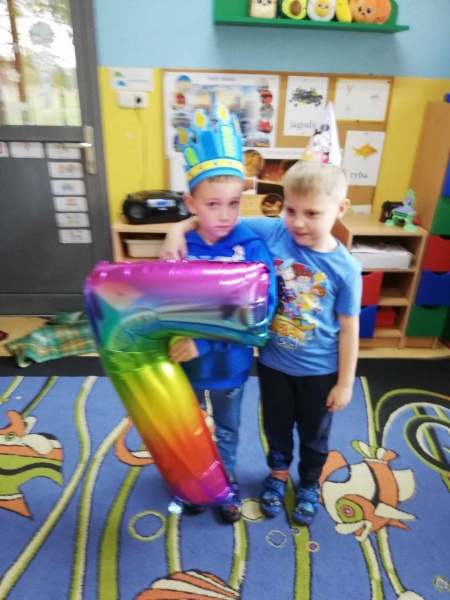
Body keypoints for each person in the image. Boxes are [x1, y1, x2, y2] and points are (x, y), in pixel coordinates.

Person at [160, 156, 362, 527]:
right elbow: (217, 219)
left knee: (314, 434)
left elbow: (349, 328)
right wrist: (177, 229)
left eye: (312, 213)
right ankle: (278, 475)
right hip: (273, 363)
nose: (297, 222)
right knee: (276, 427)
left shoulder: (346, 268)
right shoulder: (274, 232)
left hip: (321, 370)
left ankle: (309, 484)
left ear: (341, 208)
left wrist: (346, 382)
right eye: (290, 209)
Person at [164, 102, 276, 524]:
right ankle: (196, 480)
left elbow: (258, 311)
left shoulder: (251, 246)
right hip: (186, 366)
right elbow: (167, 303)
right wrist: (176, 231)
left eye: (234, 203)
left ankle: (223, 483)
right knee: (189, 427)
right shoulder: (182, 245)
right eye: (213, 204)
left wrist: (204, 341)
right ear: (191, 202)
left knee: (226, 429)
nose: (225, 215)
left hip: (228, 366)